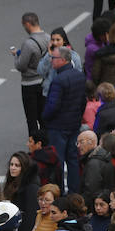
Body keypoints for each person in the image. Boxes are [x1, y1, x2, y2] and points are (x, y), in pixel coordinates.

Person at [41, 47, 86, 193]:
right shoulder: (79, 76)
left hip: (58, 126)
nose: (51, 60)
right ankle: (74, 192)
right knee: (72, 159)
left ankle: (57, 192)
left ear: (63, 60)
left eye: (53, 58)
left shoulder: (59, 80)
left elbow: (52, 105)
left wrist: (44, 118)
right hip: (74, 124)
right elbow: (82, 102)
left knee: (57, 161)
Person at [13, 12, 49, 135]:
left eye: (24, 26)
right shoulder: (49, 38)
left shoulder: (28, 44)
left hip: (29, 84)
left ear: (28, 24)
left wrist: (16, 56)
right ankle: (46, 143)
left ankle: (34, 144)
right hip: (44, 81)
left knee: (31, 119)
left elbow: (21, 66)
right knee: (43, 116)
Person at [78, 129, 115, 211]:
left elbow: (91, 190)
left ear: (91, 142)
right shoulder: (100, 157)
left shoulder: (94, 163)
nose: (78, 146)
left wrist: (80, 207)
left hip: (94, 208)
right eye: (77, 143)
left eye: (81, 142)